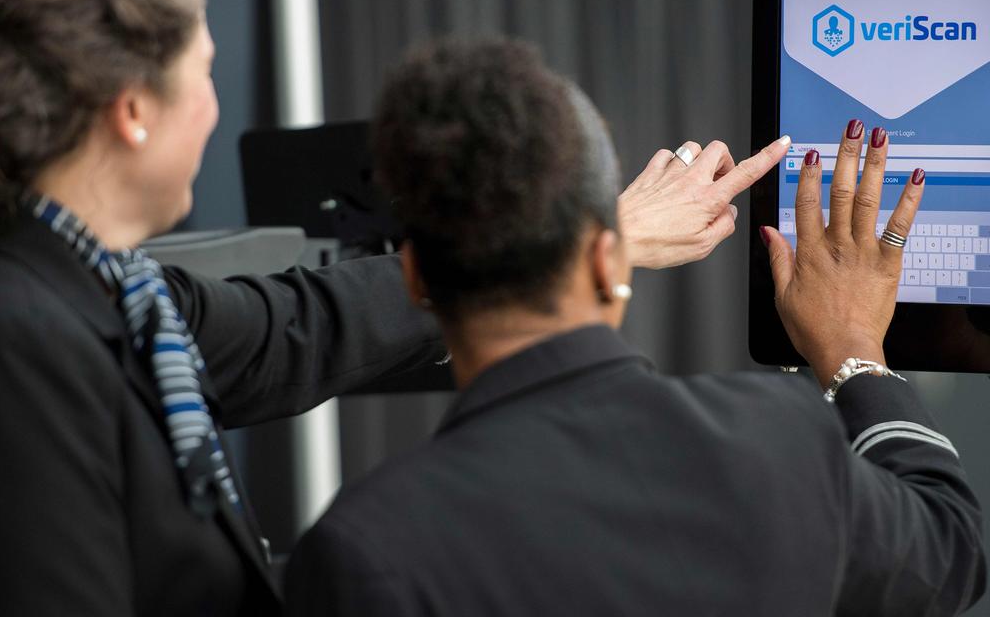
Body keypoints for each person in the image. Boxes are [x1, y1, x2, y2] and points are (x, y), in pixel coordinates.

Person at [0, 0, 787, 616]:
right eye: (204, 70)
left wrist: (576, 237)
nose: (214, 106)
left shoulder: (100, 292)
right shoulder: (12, 338)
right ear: (132, 110)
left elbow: (291, 329)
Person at [283, 39, 985, 617]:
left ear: (415, 282)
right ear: (605, 253)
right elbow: (950, 554)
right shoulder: (780, 444)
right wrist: (853, 347)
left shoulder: (362, 548)